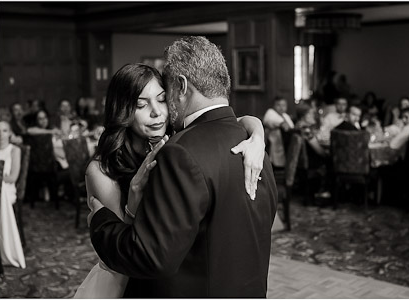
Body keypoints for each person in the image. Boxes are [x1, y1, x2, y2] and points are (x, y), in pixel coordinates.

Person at [85, 37, 276, 297]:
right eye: (141, 104)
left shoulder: (182, 151)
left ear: (181, 86)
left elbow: (152, 256)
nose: (157, 112)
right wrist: (257, 131)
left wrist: (99, 219)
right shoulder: (252, 147)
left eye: (164, 97)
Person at [0, 120, 26, 270]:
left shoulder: (14, 150)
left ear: (9, 133)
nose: (0, 135)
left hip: (8, 192)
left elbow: (13, 177)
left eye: (4, 130)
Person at [263, 97, 295, 167]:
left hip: (286, 144)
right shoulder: (270, 113)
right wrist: (281, 123)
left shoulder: (285, 115)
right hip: (273, 143)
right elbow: (268, 121)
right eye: (278, 105)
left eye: (283, 105)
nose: (281, 107)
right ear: (274, 106)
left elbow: (291, 127)